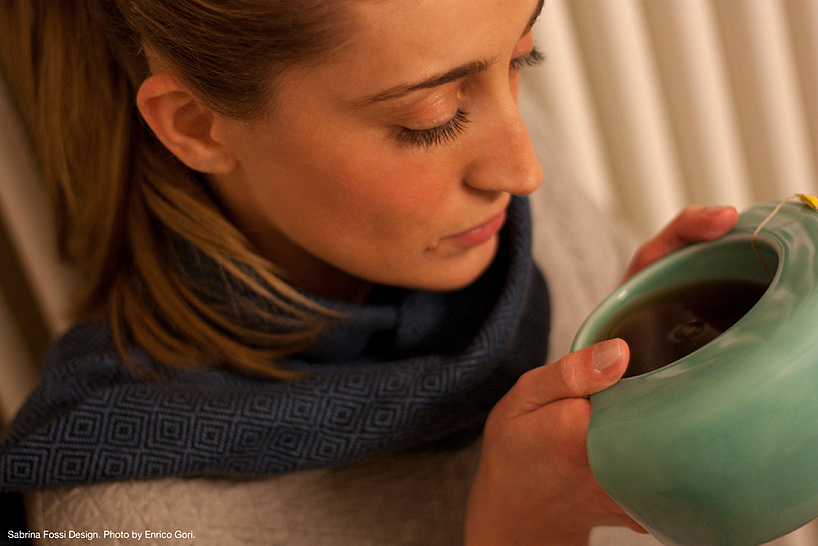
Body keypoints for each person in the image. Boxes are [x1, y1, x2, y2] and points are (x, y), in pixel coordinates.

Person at [0, 0, 738, 544]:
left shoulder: (493, 188)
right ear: (196, 124)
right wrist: (526, 523)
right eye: (434, 117)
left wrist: (640, 336)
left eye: (520, 61)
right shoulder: (125, 520)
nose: (524, 170)